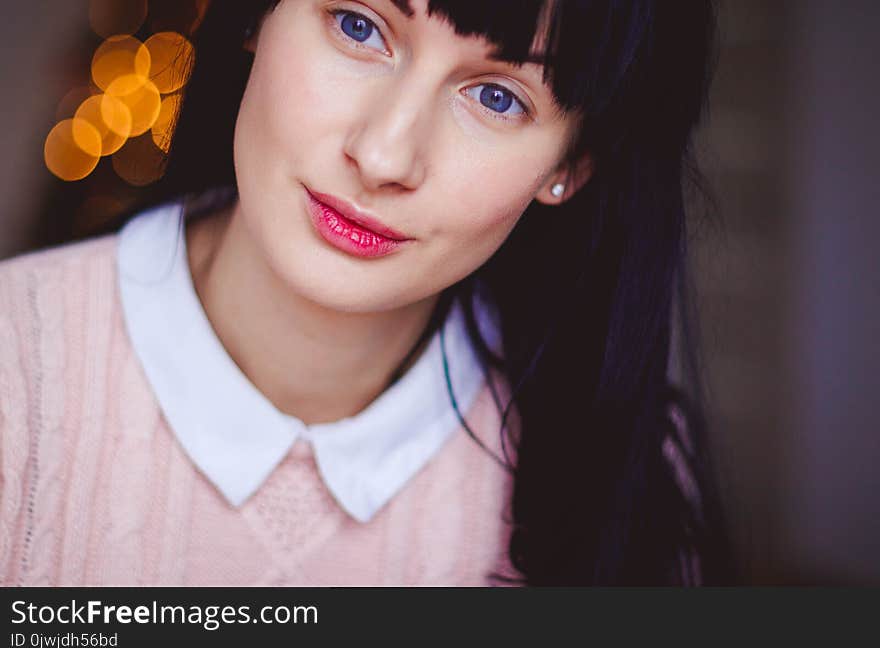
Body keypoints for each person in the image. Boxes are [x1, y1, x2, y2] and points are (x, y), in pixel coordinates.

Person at [0, 0, 736, 585]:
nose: (384, 155)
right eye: (359, 27)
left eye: (497, 97)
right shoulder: (18, 376)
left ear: (569, 167)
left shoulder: (619, 492)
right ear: (261, 14)